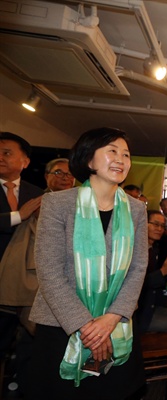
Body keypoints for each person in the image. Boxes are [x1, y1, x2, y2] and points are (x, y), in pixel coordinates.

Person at [26, 127, 148, 399]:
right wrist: (88, 326)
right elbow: (49, 272)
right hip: (63, 324)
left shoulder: (137, 209)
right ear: (89, 160)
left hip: (116, 323)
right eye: (112, 151)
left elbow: (139, 268)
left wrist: (110, 320)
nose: (121, 159)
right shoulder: (57, 204)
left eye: (126, 154)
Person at [0, 132, 44, 394]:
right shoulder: (28, 203)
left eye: (6, 152)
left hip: (26, 286)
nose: (0, 158)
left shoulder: (36, 193)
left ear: (25, 161)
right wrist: (20, 215)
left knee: (30, 348)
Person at [137, 210, 167, 368]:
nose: (159, 229)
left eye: (162, 226)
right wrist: (163, 272)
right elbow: (138, 284)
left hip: (151, 306)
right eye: (155, 224)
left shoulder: (154, 248)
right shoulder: (136, 250)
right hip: (139, 313)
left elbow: (157, 280)